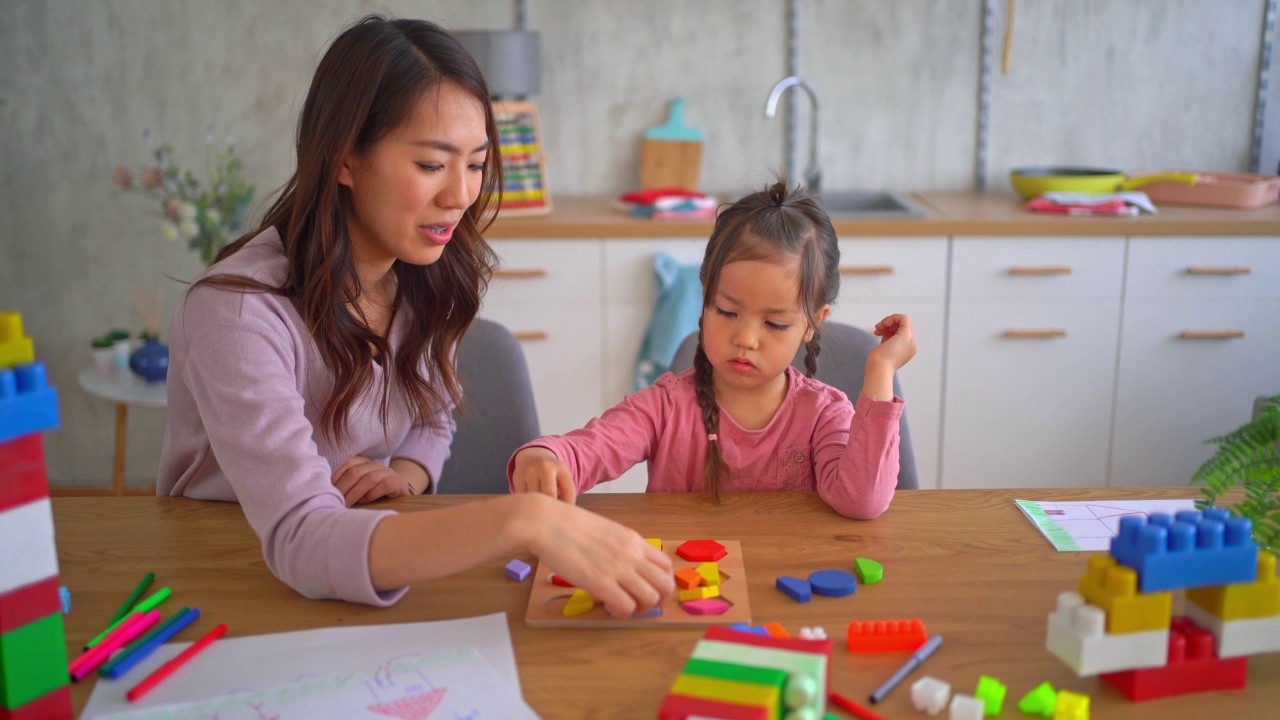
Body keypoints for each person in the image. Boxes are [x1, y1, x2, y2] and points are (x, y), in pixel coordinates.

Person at [158, 15, 673, 615]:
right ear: (344, 160)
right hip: (222, 576)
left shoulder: (426, 275)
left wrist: (407, 473)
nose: (461, 195)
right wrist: (522, 519)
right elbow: (299, 536)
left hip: (359, 563)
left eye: (476, 164)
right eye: (432, 165)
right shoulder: (239, 314)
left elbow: (432, 414)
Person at [509, 180, 916, 518]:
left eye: (774, 323)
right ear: (704, 298)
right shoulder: (665, 408)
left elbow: (863, 500)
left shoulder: (825, 414)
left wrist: (880, 370)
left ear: (813, 322)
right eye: (726, 311)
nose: (746, 339)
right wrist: (545, 458)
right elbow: (589, 449)